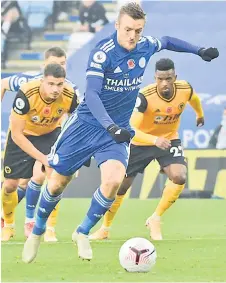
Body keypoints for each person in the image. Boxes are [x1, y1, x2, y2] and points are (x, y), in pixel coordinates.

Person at [22, 2, 218, 263]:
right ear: (116, 26)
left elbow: (168, 40)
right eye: (128, 30)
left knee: (113, 181)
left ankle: (82, 232)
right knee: (57, 182)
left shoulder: (145, 46)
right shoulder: (103, 53)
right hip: (87, 126)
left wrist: (199, 50)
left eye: (138, 30)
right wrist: (109, 125)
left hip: (115, 132)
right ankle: (37, 230)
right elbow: (91, 94)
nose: (133, 36)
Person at [90, 58, 204, 241]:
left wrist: (200, 115)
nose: (164, 83)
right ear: (155, 78)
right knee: (121, 186)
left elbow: (195, 99)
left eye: (168, 78)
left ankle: (155, 218)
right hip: (141, 142)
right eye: (160, 79)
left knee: (179, 176)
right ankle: (105, 228)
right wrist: (153, 139)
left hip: (168, 140)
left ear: (175, 77)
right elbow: (131, 130)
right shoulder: (144, 96)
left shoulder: (185, 89)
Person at [1, 47, 80, 242]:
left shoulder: (70, 92)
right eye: (51, 84)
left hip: (49, 133)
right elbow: (18, 136)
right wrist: (42, 158)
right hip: (23, 135)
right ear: (43, 73)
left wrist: (73, 152)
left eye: (59, 84)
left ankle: (48, 228)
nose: (55, 89)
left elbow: (77, 123)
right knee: (10, 185)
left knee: (55, 178)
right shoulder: (26, 88)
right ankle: (8, 225)